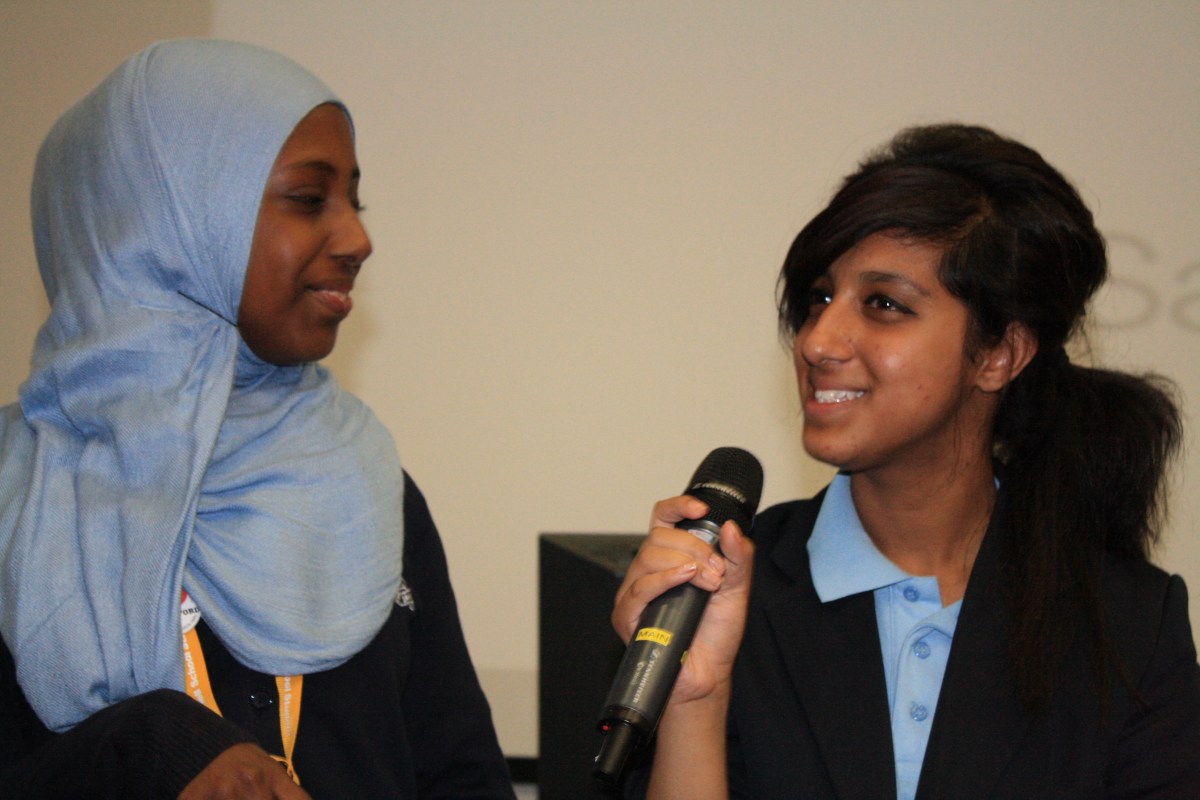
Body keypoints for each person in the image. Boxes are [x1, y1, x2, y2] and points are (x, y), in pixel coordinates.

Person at [613, 124, 1200, 798]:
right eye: (819, 298)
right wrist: (693, 699)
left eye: (884, 305)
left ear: (1000, 354)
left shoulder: (1126, 621)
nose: (818, 341)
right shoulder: (725, 593)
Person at [0, 39, 515, 799]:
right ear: (163, 221)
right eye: (309, 198)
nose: (358, 239)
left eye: (356, 200)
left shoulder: (367, 485)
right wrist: (150, 744)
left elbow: (461, 779)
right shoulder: (18, 500)